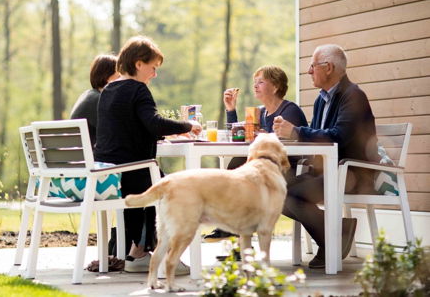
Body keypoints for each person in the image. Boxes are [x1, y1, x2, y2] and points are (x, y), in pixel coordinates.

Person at [95, 36, 202, 273]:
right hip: (134, 171)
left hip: (108, 173)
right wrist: (188, 126)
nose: (154, 74)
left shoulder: (109, 90)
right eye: (153, 68)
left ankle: (138, 253)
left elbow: (128, 129)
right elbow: (154, 123)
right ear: (138, 64)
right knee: (176, 190)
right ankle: (167, 259)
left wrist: (165, 135)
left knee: (158, 179)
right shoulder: (138, 89)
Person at [273, 44, 380, 269]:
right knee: (275, 189)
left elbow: (338, 137)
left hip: (354, 174)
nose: (309, 71)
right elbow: (318, 138)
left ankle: (331, 240)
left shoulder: (354, 96)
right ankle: (337, 233)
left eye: (313, 66)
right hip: (327, 171)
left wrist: (295, 131)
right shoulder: (321, 99)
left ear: (328, 67)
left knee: (289, 194)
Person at [203, 65, 308, 243]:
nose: (255, 86)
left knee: (240, 172)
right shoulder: (259, 112)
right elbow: (240, 136)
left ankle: (232, 231)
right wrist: (231, 109)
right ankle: (236, 236)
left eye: (261, 82)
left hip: (287, 170)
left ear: (275, 87)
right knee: (238, 165)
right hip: (263, 170)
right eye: (254, 82)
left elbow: (290, 149)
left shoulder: (290, 110)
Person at [70, 54, 119, 152]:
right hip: (96, 162)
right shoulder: (99, 100)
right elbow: (119, 132)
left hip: (80, 161)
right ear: (108, 77)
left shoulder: (89, 96)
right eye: (119, 76)